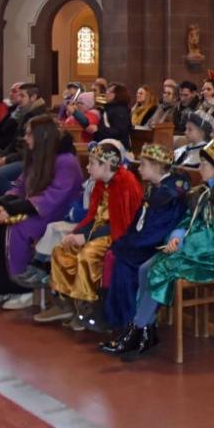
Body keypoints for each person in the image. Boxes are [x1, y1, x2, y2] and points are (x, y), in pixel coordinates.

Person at [117, 135, 214, 361]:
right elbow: (189, 219)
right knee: (145, 268)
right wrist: (177, 236)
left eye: (204, 165)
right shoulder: (205, 191)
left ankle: (137, 329)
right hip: (194, 249)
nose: (199, 169)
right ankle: (146, 331)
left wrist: (185, 245)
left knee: (157, 270)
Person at [37, 140, 143, 329]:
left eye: (92, 163)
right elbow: (93, 216)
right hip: (98, 231)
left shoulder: (126, 184)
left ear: (106, 165)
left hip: (116, 236)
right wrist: (79, 233)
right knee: (61, 249)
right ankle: (68, 304)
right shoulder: (101, 184)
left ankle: (87, 307)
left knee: (87, 256)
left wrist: (86, 238)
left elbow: (123, 224)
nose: (88, 167)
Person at [0, 115, 84, 309]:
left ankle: (23, 290)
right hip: (37, 209)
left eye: (29, 134)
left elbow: (53, 197)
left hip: (55, 213)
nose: (25, 138)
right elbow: (20, 185)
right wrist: (3, 205)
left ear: (42, 136)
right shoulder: (39, 155)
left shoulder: (66, 161)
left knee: (18, 229)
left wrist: (14, 209)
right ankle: (2, 287)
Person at [101, 144, 190, 350]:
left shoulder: (170, 195)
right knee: (116, 255)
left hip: (159, 246)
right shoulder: (156, 188)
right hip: (146, 241)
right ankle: (139, 329)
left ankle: (132, 325)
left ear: (156, 167)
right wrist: (125, 241)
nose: (139, 168)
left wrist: (129, 245)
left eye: (143, 164)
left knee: (124, 263)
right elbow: (138, 223)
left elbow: (159, 230)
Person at [93, 83, 134, 148]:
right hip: (108, 146)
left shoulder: (120, 110)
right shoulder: (109, 108)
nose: (106, 93)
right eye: (107, 90)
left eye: (110, 91)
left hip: (117, 149)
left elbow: (119, 132)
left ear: (118, 94)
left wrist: (98, 129)